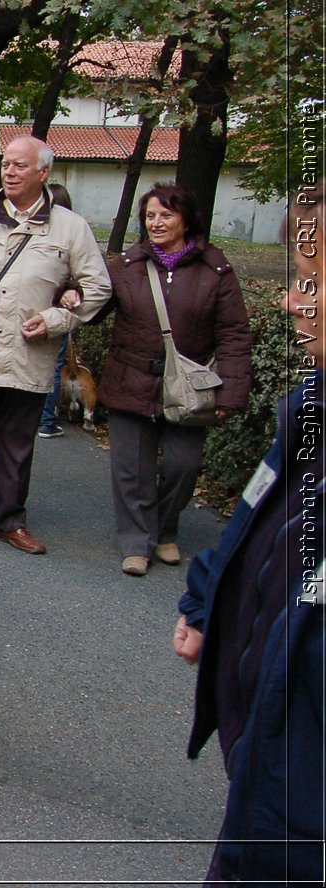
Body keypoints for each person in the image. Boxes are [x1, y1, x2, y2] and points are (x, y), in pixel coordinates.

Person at [173, 187, 321, 886]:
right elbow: (264, 521)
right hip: (268, 752)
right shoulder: (311, 410)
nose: (293, 301)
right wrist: (212, 598)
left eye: (313, 282)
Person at [0, 136, 110, 555]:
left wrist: (56, 320)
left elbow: (98, 288)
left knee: (18, 444)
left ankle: (10, 521)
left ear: (43, 173)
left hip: (30, 355)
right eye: (6, 164)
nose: (10, 172)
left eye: (19, 166)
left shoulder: (71, 228)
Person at [93, 184, 252, 576]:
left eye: (166, 215)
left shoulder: (215, 269)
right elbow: (93, 306)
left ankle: (164, 529)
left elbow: (233, 332)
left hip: (187, 388)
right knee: (131, 468)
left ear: (185, 219)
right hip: (131, 377)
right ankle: (136, 541)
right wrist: (68, 296)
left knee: (184, 465)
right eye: (150, 216)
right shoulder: (127, 265)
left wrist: (230, 392)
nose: (157, 223)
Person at [38, 183, 80, 440]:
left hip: (38, 309)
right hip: (57, 312)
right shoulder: (72, 234)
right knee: (54, 365)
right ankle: (46, 420)